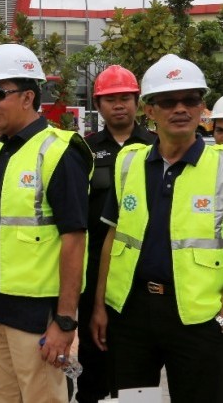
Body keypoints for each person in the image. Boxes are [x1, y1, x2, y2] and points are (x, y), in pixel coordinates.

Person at [0, 43, 92, 403]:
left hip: (34, 316)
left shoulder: (60, 151)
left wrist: (65, 322)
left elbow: (74, 240)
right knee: (6, 398)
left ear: (28, 96)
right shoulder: (0, 151)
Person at [91, 54, 223, 401]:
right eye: (168, 101)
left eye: (190, 100)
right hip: (132, 313)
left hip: (198, 317)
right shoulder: (129, 162)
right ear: (149, 111)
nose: (180, 109)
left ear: (202, 108)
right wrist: (101, 306)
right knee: (135, 398)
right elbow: (111, 237)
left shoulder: (221, 168)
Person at [77, 65, 155, 403]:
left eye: (125, 98)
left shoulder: (156, 146)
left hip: (145, 274)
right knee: (94, 361)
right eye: (110, 99)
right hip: (96, 269)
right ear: (98, 104)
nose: (118, 105)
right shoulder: (85, 150)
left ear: (137, 102)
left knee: (138, 369)